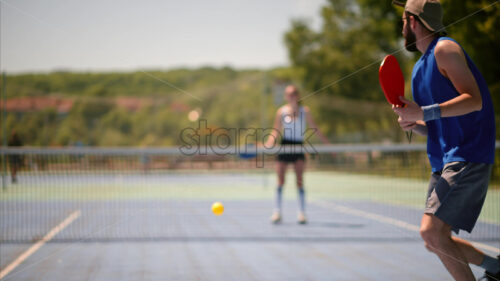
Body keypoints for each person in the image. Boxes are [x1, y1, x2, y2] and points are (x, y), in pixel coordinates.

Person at [392, 1, 499, 280]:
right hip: (444, 159)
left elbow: (473, 101)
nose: (402, 26)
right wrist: (414, 124)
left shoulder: (445, 49)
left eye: (403, 19)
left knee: (431, 232)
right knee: (435, 241)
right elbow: (439, 125)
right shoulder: (419, 68)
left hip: (467, 155)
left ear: (413, 21)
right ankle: (498, 267)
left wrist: (424, 112)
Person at [265, 85, 330, 224]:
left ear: (298, 96)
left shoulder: (304, 111)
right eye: (289, 94)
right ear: (285, 96)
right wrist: (269, 143)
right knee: (280, 180)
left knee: (299, 180)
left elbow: (315, 128)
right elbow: (275, 130)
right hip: (284, 146)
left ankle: (302, 213)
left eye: (294, 94)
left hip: (298, 146)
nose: (292, 96)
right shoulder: (281, 111)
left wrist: (327, 145)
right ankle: (277, 212)